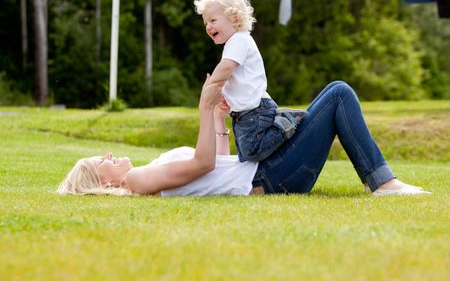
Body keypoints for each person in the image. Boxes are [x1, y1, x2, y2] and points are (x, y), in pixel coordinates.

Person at [57, 77, 430, 197]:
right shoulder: (136, 181)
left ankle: (382, 181)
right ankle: (383, 183)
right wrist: (202, 108)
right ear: (103, 184)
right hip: (270, 176)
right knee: (338, 94)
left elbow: (215, 162)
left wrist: (218, 118)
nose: (107, 155)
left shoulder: (149, 170)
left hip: (265, 170)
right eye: (100, 163)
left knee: (335, 95)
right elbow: (202, 163)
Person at [194, 0, 305, 163]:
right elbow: (235, 78)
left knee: (251, 153)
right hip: (244, 114)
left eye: (213, 21)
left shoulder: (239, 40)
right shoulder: (235, 43)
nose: (208, 26)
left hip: (256, 110)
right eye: (206, 23)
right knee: (246, 157)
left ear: (235, 20)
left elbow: (226, 68)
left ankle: (287, 121)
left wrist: (211, 86)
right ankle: (283, 134)